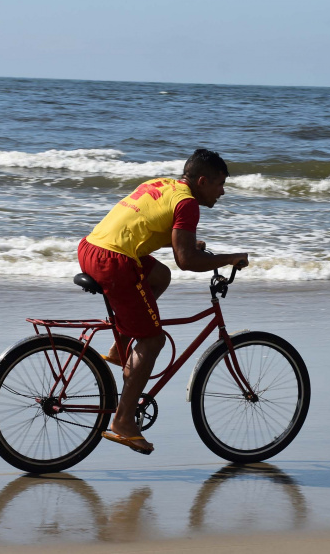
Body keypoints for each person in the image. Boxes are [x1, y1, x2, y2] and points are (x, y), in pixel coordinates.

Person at [77, 149, 249, 455]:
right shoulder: (188, 203)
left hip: (91, 248)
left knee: (160, 276)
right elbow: (186, 261)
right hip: (115, 262)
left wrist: (186, 242)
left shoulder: (163, 185)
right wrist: (231, 258)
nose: (222, 192)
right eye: (219, 184)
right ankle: (124, 421)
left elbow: (150, 224)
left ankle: (121, 346)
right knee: (154, 340)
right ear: (201, 180)